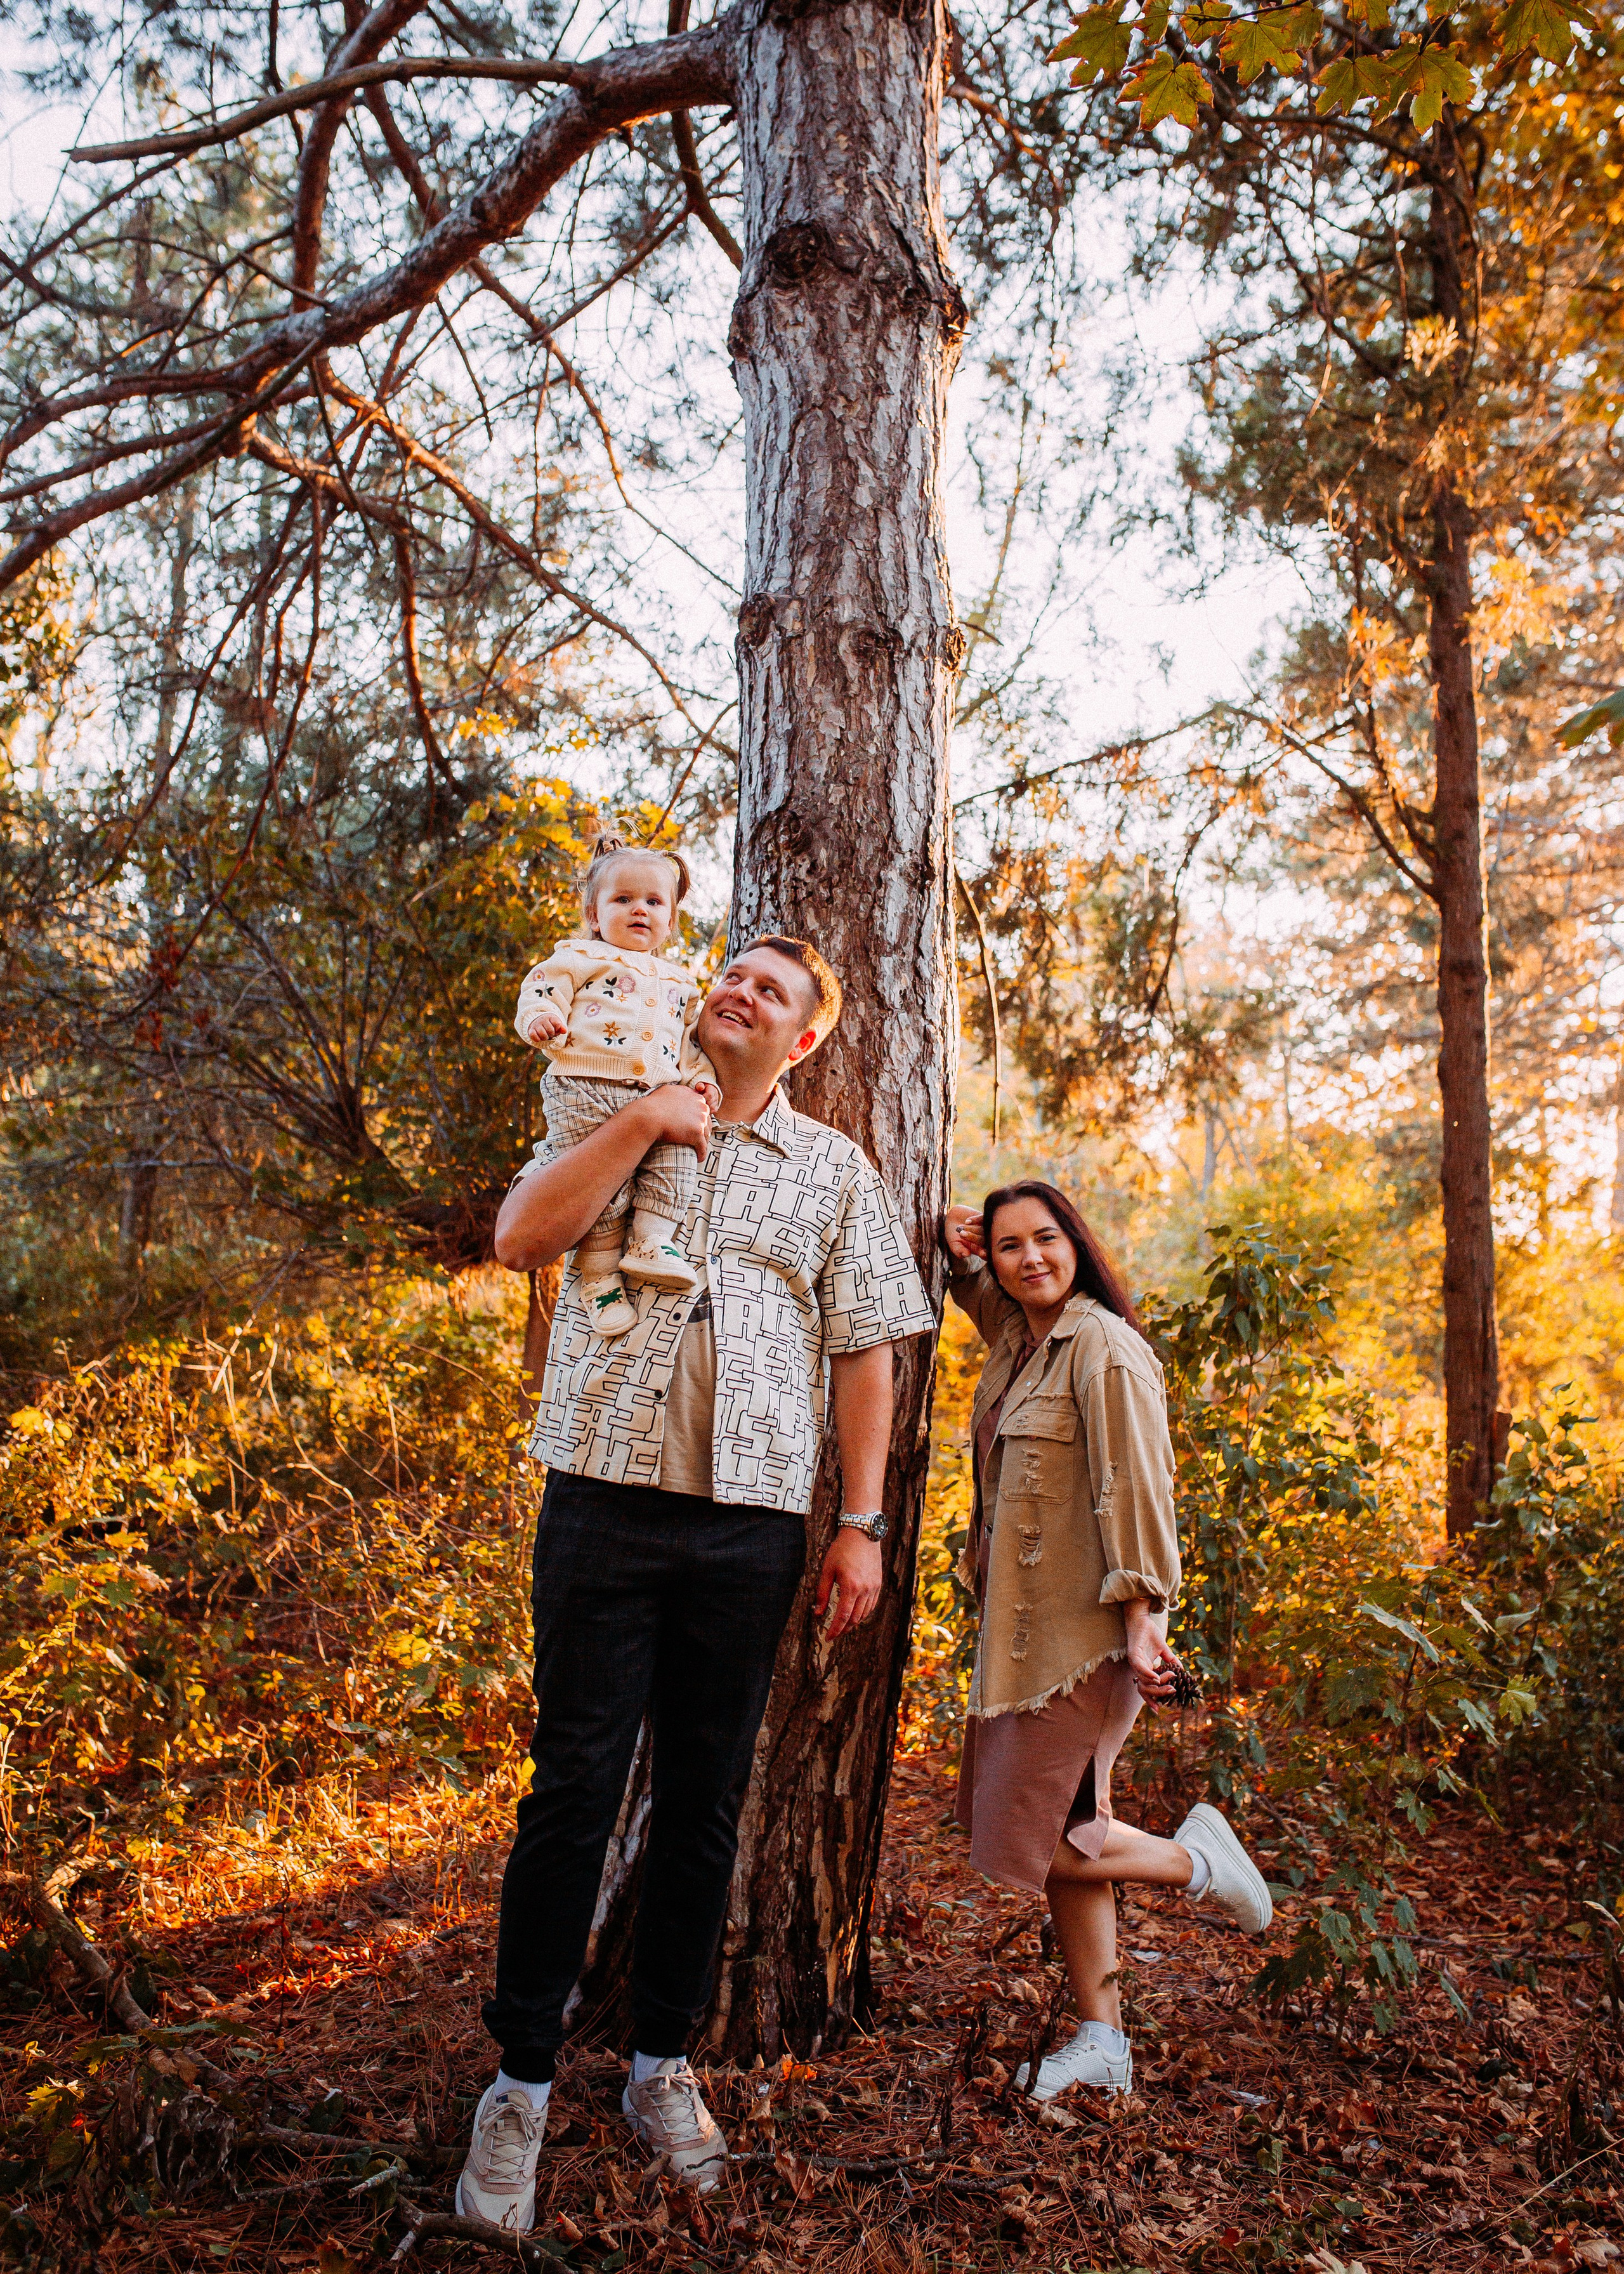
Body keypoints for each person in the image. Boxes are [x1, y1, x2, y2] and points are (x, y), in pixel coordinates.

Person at [457, 935, 936, 2233]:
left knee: (706, 1803)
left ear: (803, 1039)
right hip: (600, 1505)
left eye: (771, 991)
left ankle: (662, 2064)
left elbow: (863, 1352)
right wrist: (640, 1128)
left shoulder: (834, 1171)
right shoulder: (608, 1101)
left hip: (749, 1525)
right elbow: (517, 1238)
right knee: (571, 1792)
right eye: (730, 973)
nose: (739, 989)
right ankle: (517, 2086)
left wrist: (861, 1523)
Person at [941, 1184, 1272, 2101]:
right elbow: (974, 1285)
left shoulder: (1105, 1350)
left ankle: (1200, 1863)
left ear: (1078, 1246)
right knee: (1074, 1834)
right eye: (1010, 1247)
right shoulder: (1020, 1338)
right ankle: (1102, 2041)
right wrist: (953, 1236)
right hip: (1023, 1638)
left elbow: (1137, 1486)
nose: (1028, 1259)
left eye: (1046, 1239)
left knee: (1040, 1839)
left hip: (1083, 1642)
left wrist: (1141, 1620)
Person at [515, 834, 723, 1337]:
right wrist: (541, 1018)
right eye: (623, 900)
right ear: (594, 912)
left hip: (653, 1094)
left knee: (678, 1157)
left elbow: (687, 1044)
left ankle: (652, 1240)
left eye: (654, 902)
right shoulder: (577, 958)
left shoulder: (680, 983)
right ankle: (600, 1279)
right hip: (583, 1086)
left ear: (671, 921)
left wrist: (702, 1081)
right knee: (603, 1187)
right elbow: (540, 992)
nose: (639, 911)